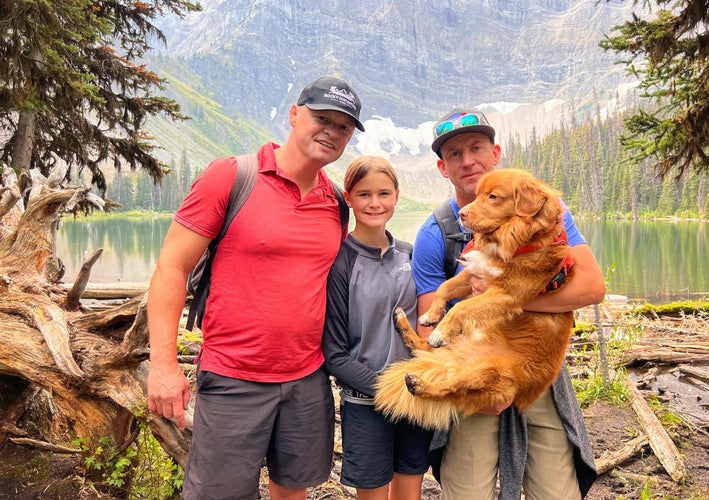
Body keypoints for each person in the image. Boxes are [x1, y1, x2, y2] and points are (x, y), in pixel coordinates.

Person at [146, 75, 365, 500]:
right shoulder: (231, 176)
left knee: (293, 489)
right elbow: (171, 268)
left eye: (344, 127)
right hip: (233, 378)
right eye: (322, 118)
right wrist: (164, 365)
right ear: (294, 115)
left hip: (307, 377)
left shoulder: (336, 202)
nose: (332, 132)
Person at [411, 108, 606, 500]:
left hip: (536, 364)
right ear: (442, 167)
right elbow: (428, 326)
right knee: (467, 491)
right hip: (475, 367)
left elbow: (592, 287)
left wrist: (510, 300)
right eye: (454, 154)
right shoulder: (436, 232)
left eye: (477, 147)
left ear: (495, 153)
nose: (468, 160)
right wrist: (471, 385)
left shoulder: (548, 215)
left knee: (557, 492)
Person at [322, 156, 432, 500]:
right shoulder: (340, 261)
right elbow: (334, 354)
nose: (375, 203)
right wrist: (389, 389)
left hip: (416, 398)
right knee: (371, 493)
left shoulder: (412, 255)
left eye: (384, 193)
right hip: (365, 403)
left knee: (410, 490)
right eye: (364, 194)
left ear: (397, 196)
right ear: (349, 197)